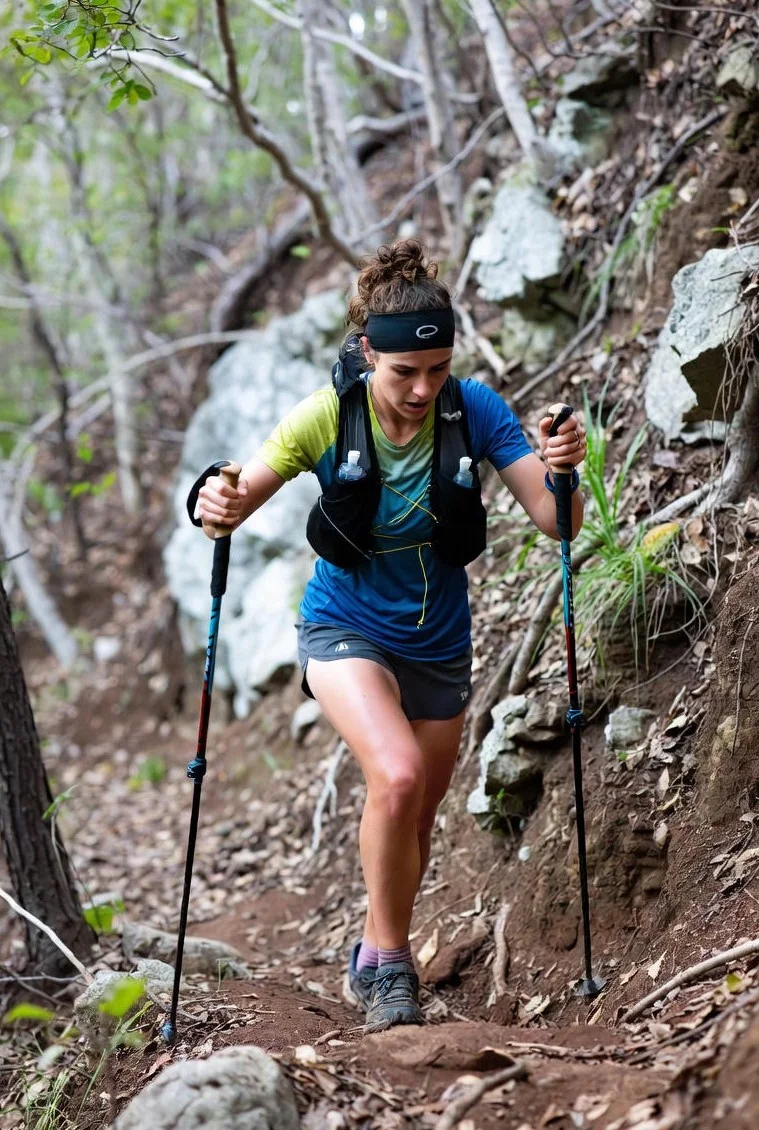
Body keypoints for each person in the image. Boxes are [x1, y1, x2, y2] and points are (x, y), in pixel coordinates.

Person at [197, 239, 586, 1032]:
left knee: (414, 815)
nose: (420, 388)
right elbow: (234, 501)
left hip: (438, 640)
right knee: (399, 774)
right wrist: (212, 498)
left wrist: (564, 468)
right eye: (403, 371)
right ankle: (390, 966)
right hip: (343, 628)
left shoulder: (471, 408)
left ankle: (375, 952)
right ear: (367, 351)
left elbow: (557, 522)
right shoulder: (324, 418)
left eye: (435, 369)